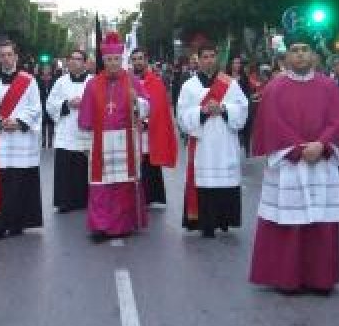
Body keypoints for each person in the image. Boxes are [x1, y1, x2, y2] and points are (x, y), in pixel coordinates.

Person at [248, 30, 339, 293]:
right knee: (288, 222)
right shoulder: (274, 88)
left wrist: (322, 144)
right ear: (286, 56)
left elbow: (338, 119)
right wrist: (297, 148)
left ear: (314, 55)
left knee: (321, 222)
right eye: (295, 50)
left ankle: (320, 278)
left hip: (321, 163)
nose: (301, 54)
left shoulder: (329, 86)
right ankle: (286, 277)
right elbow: (272, 122)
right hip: (289, 164)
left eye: (305, 49)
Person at [78, 32, 150, 242]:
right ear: (104, 60)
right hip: (100, 142)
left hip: (125, 142)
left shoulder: (132, 81)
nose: (112, 63)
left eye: (116, 59)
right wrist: (84, 145)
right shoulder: (92, 84)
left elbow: (147, 108)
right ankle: (101, 226)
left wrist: (137, 101)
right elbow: (85, 116)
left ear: (122, 59)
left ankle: (122, 225)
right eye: (108, 60)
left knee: (122, 186)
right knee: (101, 187)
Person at [177, 43, 249, 237]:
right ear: (198, 60)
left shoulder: (230, 83)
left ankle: (225, 220)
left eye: (212, 56)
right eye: (205, 57)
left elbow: (242, 109)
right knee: (205, 183)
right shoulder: (189, 86)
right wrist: (202, 111)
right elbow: (182, 117)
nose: (209, 60)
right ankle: (206, 224)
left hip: (225, 141)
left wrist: (224, 109)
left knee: (226, 182)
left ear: (216, 58)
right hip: (203, 145)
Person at [0, 40, 44, 240]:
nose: (6, 58)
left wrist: (19, 122)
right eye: (2, 55)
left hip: (21, 140)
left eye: (9, 54)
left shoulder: (29, 81)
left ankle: (18, 223)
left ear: (16, 57)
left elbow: (35, 108)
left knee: (19, 182)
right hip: (0, 140)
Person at [130, 47, 178, 208]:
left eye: (140, 58)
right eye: (134, 59)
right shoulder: (126, 82)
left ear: (146, 60)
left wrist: (146, 123)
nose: (137, 61)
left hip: (149, 131)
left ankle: (150, 196)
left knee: (149, 163)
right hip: (132, 131)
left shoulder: (156, 82)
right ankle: (133, 197)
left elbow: (159, 108)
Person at [46, 49, 93, 212]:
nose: (74, 61)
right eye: (71, 59)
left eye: (78, 59)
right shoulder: (60, 82)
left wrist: (85, 104)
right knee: (65, 169)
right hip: (66, 132)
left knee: (83, 169)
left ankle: (84, 200)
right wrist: (66, 104)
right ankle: (64, 202)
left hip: (85, 133)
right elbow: (50, 104)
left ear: (85, 62)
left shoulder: (92, 82)